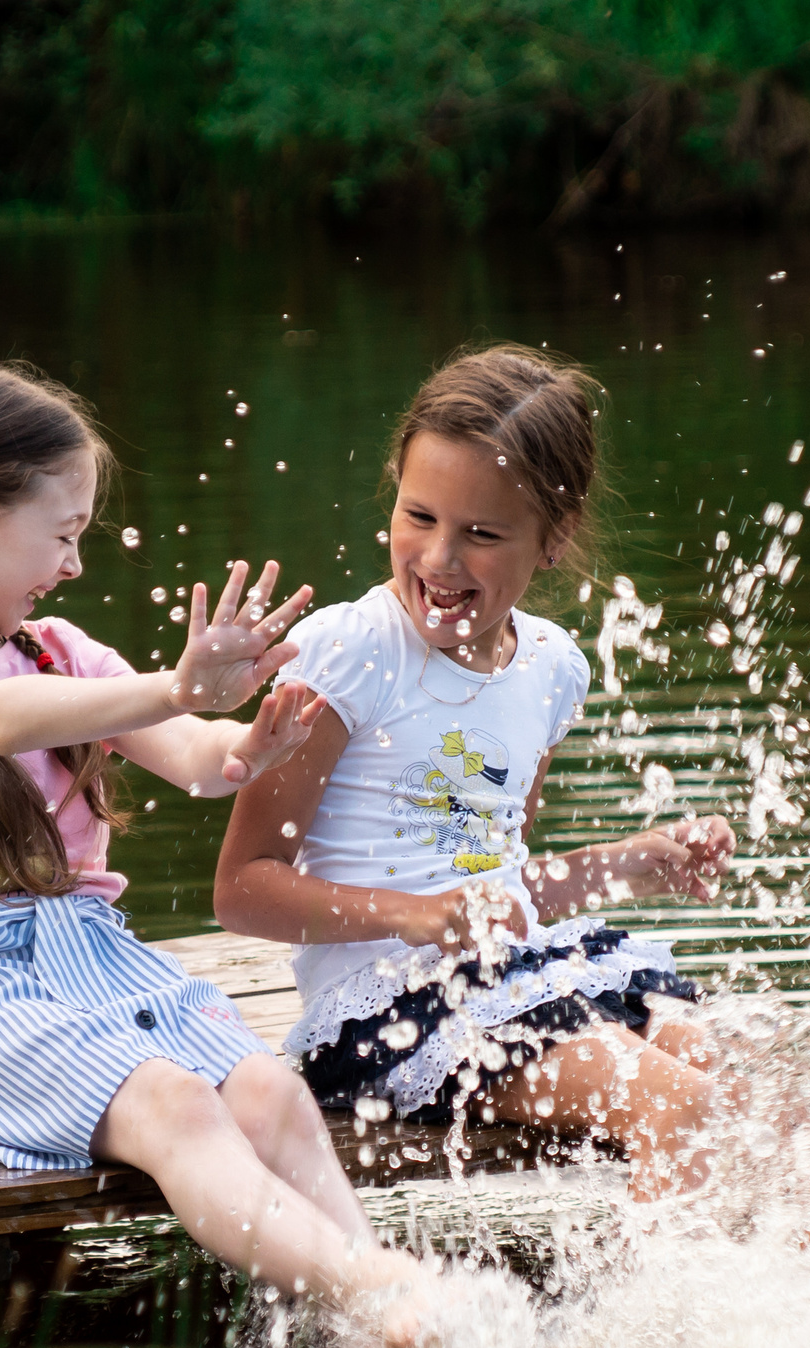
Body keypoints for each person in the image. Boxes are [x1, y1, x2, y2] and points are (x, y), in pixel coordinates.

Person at [0, 353, 438, 1342]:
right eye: (62, 534)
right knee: (175, 1105)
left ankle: (379, 1332)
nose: (73, 565)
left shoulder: (62, 652)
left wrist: (249, 742)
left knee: (268, 1088)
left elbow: (193, 756)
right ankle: (366, 1285)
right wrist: (173, 686)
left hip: (98, 965)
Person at [215, 344, 739, 1200]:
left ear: (555, 538)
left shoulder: (552, 668)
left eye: (482, 534)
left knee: (751, 1081)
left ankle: (804, 1321)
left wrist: (630, 861)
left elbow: (491, 884)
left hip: (517, 977)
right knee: (674, 1107)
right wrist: (415, 917)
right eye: (418, 516)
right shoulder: (350, 652)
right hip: (386, 1015)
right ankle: (643, 1335)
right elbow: (241, 890)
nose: (438, 560)